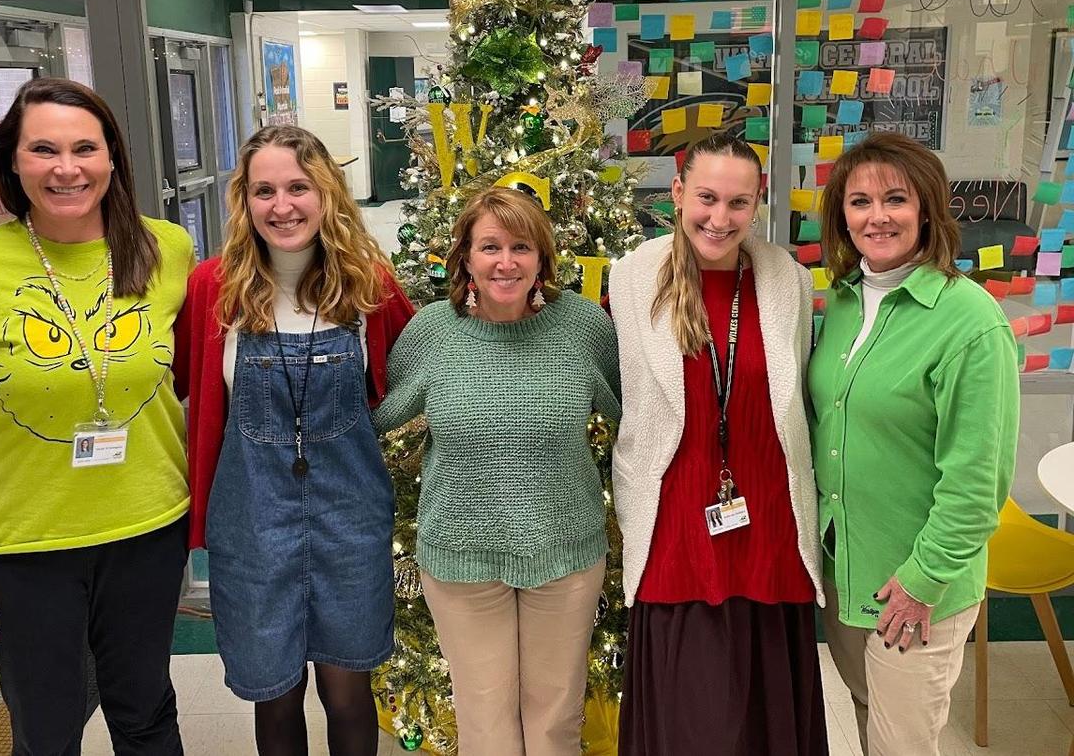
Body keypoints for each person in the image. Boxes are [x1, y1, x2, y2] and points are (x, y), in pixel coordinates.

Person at [0, 77, 194, 754]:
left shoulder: (165, 250)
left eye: (85, 148)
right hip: (24, 546)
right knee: (48, 730)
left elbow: (196, 382)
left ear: (112, 157)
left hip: (147, 529)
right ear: (13, 163)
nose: (67, 168)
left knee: (146, 714)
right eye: (44, 150)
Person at [173, 124, 414, 756]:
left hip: (350, 525)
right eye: (265, 191)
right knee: (273, 698)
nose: (282, 206)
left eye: (299, 187)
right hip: (251, 528)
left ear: (327, 192)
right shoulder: (212, 290)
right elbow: (163, 381)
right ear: (244, 201)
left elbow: (417, 378)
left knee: (347, 693)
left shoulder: (368, 285)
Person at [373, 187, 621, 756]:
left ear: (542, 259)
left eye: (520, 247)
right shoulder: (435, 331)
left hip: (565, 554)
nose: (505, 262)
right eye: (489, 247)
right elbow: (376, 416)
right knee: (485, 722)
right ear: (464, 257)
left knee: (555, 718)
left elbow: (635, 414)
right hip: (461, 560)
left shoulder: (583, 328)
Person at [610, 133, 827, 755]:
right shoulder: (632, 279)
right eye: (706, 197)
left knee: (766, 721)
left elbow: (792, 406)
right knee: (692, 720)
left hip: (767, 525)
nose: (720, 218)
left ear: (756, 205)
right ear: (678, 194)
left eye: (739, 203)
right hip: (676, 525)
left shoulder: (787, 279)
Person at [809, 132, 1019, 755]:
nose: (878, 216)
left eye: (895, 199)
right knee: (871, 722)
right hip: (847, 569)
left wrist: (923, 580)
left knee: (903, 744)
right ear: (841, 216)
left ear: (926, 208)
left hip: (914, 587)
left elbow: (978, 483)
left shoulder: (970, 320)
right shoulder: (842, 302)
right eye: (860, 201)